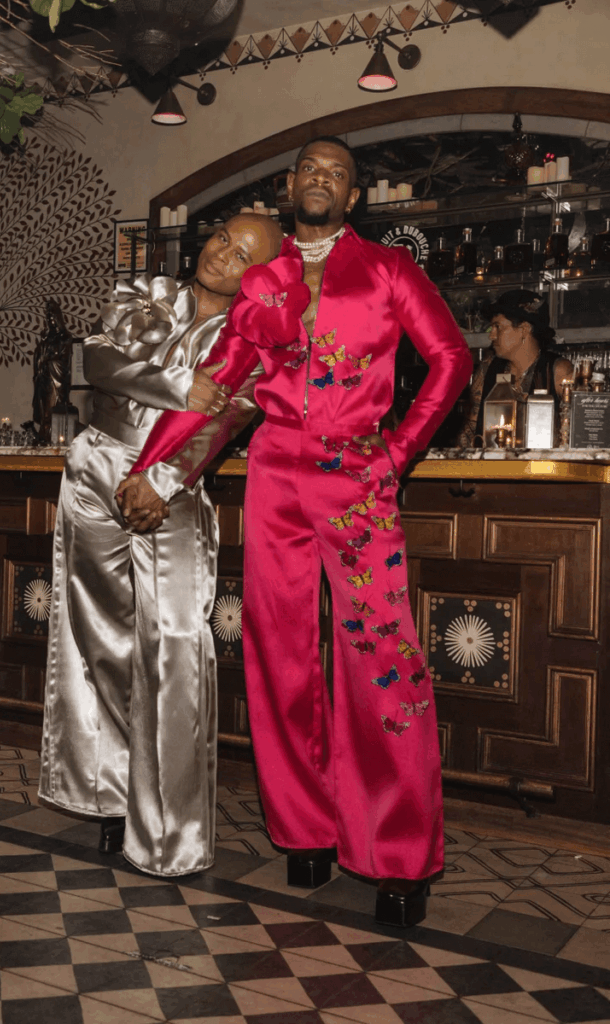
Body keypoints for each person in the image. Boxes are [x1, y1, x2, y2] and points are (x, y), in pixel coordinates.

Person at [119, 137, 472, 924]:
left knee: (380, 656)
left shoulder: (387, 270)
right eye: (308, 168)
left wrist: (400, 453)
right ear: (290, 187)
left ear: (352, 199)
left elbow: (449, 358)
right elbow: (217, 387)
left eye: (335, 174)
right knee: (276, 652)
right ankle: (304, 833)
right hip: (274, 471)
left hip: (357, 475)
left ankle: (398, 853)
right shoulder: (264, 281)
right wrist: (150, 464)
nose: (319, 179)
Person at [38, 213, 284, 878]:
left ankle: (171, 833)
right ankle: (113, 794)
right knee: (97, 638)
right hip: (94, 470)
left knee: (172, 646)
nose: (222, 257)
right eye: (220, 240)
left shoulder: (256, 339)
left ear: (261, 277)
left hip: (168, 487)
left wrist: (164, 479)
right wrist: (175, 385)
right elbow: (98, 362)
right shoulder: (152, 295)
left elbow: (227, 417)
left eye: (242, 256)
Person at [459, 289, 573, 447]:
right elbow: (470, 428)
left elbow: (579, 431)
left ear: (524, 329)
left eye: (498, 327)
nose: (491, 335)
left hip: (543, 468)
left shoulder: (558, 371)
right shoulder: (488, 369)